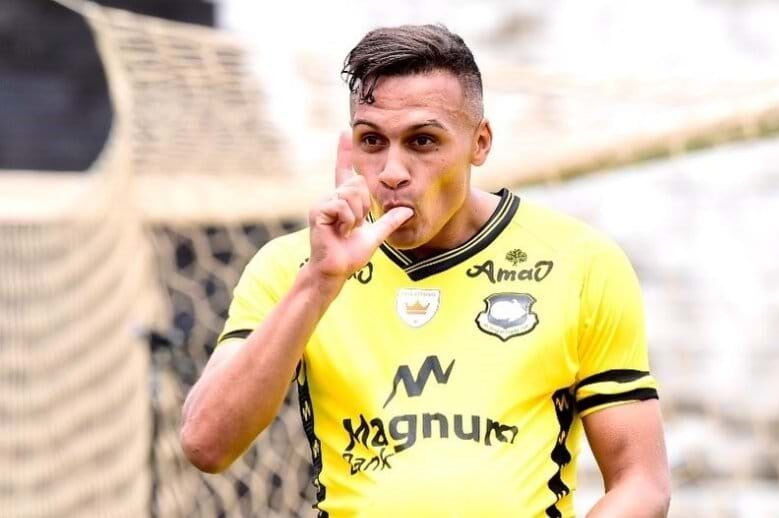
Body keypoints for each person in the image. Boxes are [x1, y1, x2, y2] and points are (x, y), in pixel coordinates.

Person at [180, 24, 670, 517]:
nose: (392, 171)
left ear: (480, 143)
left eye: (422, 141)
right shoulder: (291, 267)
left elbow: (641, 482)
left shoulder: (581, 263)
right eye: (372, 140)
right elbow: (206, 444)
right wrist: (321, 281)